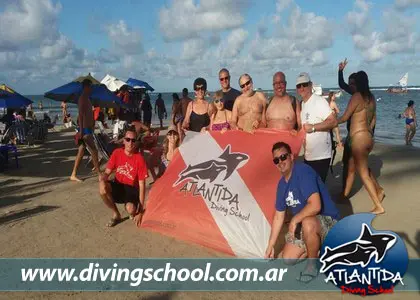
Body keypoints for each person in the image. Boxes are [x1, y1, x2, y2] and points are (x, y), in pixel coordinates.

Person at [265, 142, 340, 282]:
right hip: (307, 224)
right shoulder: (282, 185)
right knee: (287, 259)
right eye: (276, 160)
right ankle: (319, 249)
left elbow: (315, 206)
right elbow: (278, 216)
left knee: (307, 222)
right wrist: (270, 245)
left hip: (328, 220)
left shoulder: (303, 171)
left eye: (283, 157)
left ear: (292, 157)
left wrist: (294, 220)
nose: (280, 162)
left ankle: (312, 266)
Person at [338, 71, 385, 215]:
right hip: (367, 137)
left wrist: (332, 120)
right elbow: (374, 119)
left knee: (363, 173)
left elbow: (345, 117)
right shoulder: (371, 98)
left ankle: (378, 205)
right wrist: (368, 133)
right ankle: (344, 196)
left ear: (358, 83)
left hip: (358, 139)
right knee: (352, 167)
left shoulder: (357, 97)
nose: (350, 86)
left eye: (352, 83)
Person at [99, 126, 147, 227]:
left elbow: (142, 185)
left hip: (132, 188)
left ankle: (131, 206)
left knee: (131, 210)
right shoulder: (117, 153)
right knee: (102, 188)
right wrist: (103, 178)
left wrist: (141, 210)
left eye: (133, 140)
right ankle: (116, 214)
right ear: (123, 141)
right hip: (118, 184)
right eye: (128, 139)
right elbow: (107, 172)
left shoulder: (139, 159)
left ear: (136, 142)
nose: (130, 143)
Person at [297, 72, 337, 183]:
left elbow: (333, 121)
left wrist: (313, 127)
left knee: (317, 189)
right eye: (299, 86)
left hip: (321, 156)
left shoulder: (319, 101)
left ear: (310, 85)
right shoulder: (303, 105)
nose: (302, 88)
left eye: (304, 85)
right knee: (311, 189)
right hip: (309, 156)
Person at [70, 79, 100, 182]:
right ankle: (99, 173)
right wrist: (82, 131)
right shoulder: (82, 98)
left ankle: (73, 174)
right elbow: (81, 115)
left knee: (81, 152)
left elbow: (87, 114)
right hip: (85, 130)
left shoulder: (87, 98)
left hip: (87, 128)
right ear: (86, 87)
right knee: (94, 151)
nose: (91, 89)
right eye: (90, 86)